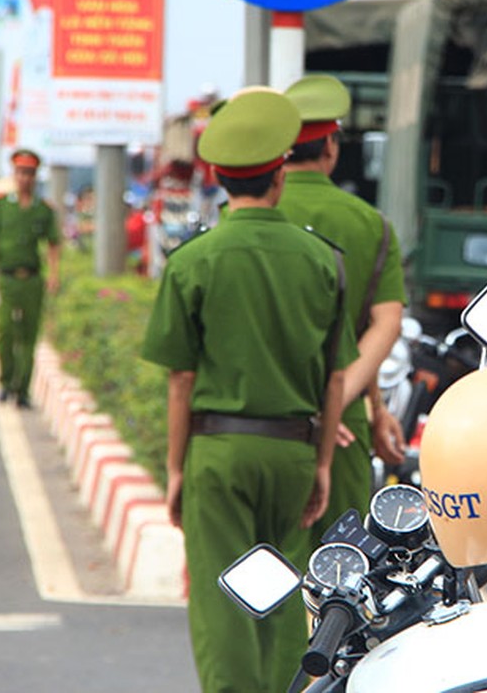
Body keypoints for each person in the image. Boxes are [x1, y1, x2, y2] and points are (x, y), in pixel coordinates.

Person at [140, 88, 355, 693]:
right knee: (284, 593)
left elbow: (180, 379)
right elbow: (335, 375)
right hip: (292, 452)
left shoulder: (193, 262)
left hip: (218, 454)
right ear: (279, 174)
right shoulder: (324, 261)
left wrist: (176, 469)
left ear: (218, 179)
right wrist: (320, 466)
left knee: (225, 602)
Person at [279, 74, 408, 548]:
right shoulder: (370, 223)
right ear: (331, 147)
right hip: (344, 429)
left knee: (267, 583)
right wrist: (352, 404)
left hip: (271, 420)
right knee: (342, 583)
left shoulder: (248, 218)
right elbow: (381, 324)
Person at [0, 149, 61, 408]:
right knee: (4, 332)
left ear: (35, 177)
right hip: (5, 278)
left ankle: (23, 389)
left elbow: (53, 244)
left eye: (29, 173)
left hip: (32, 280)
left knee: (29, 335)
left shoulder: (43, 209)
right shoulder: (1, 206)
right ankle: (5, 381)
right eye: (20, 172)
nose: (25, 178)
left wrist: (54, 274)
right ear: (14, 174)